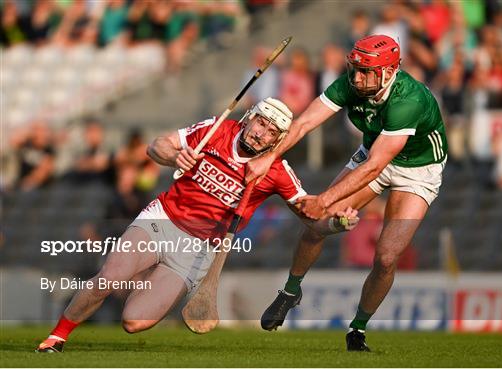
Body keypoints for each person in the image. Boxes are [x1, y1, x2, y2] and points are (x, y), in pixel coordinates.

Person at [35, 97, 358, 353]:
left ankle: (148, 273)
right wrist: (174, 157)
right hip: (161, 220)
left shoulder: (276, 170)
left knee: (134, 322)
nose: (261, 133)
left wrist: (337, 223)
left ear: (279, 140)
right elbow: (156, 145)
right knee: (109, 277)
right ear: (250, 118)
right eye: (260, 122)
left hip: (197, 251)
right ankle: (56, 338)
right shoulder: (216, 130)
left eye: (271, 131)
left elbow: (311, 218)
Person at [245, 35, 448, 352]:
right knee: (314, 225)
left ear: (388, 71)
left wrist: (323, 200)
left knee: (386, 257)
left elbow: (374, 168)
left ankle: (358, 329)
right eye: (355, 69)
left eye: (366, 72)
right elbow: (302, 124)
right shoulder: (351, 83)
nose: (356, 78)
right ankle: (290, 291)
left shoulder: (409, 100)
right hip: (372, 153)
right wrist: (267, 158)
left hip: (417, 170)